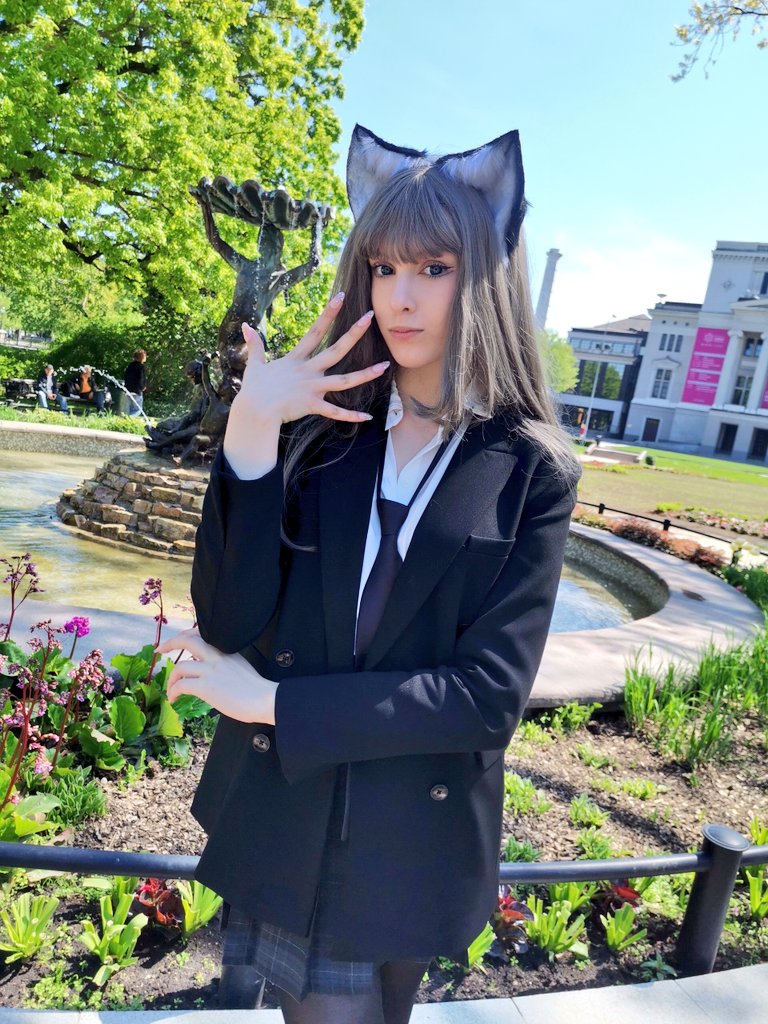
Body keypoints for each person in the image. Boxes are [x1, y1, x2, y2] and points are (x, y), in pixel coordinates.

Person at [158, 125, 580, 1024]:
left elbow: (486, 699)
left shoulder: (531, 469)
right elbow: (230, 620)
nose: (401, 296)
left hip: (414, 833)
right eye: (383, 268)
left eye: (433, 268)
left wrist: (274, 704)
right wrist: (250, 432)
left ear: (486, 276)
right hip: (293, 811)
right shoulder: (324, 431)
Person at [123, 348, 147, 416]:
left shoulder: (130, 365)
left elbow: (126, 377)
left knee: (131, 408)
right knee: (137, 410)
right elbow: (141, 378)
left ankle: (128, 418)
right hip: (137, 390)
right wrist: (143, 387)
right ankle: (130, 418)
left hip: (128, 389)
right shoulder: (141, 366)